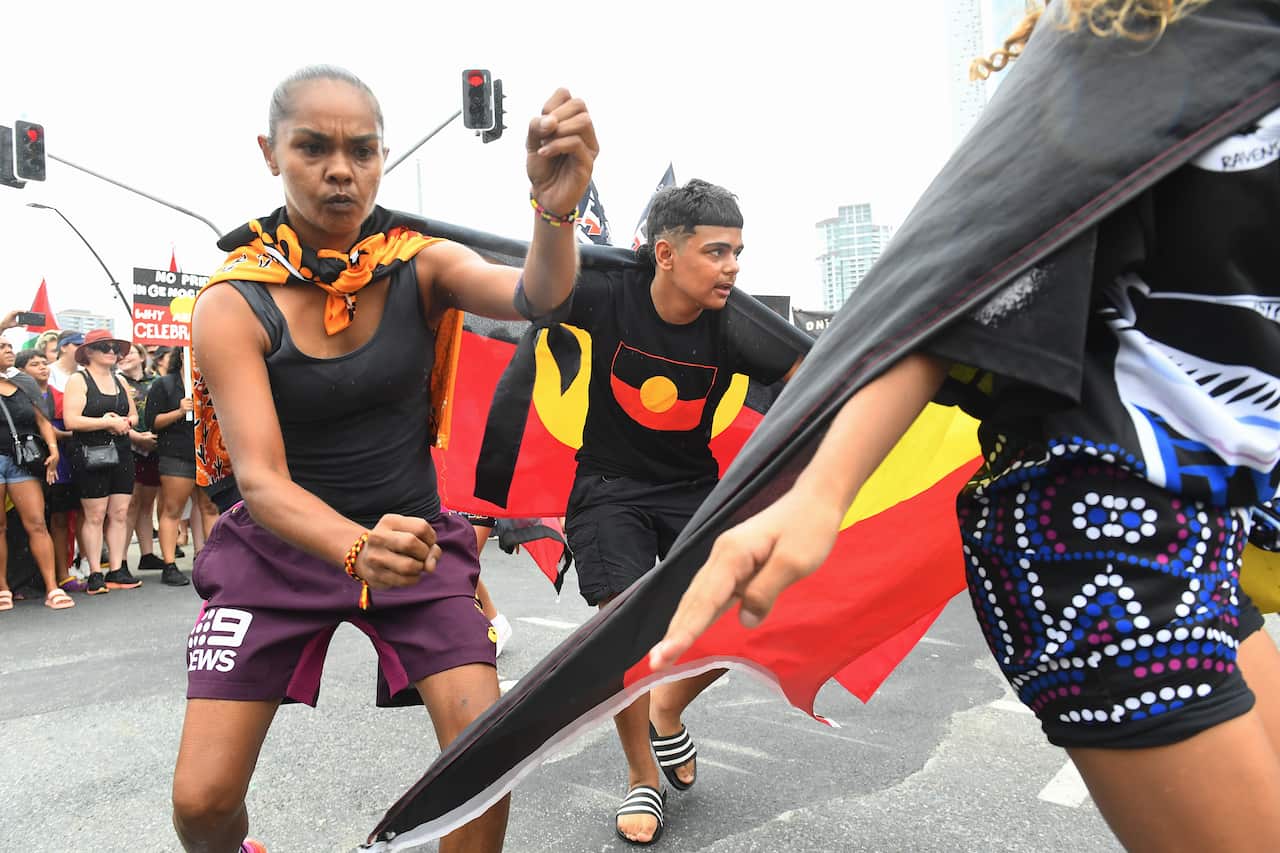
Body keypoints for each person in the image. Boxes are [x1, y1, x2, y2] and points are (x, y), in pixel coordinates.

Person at [652, 3, 1280, 851]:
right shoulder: (1139, 34)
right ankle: (648, 752)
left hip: (1209, 528)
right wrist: (822, 493)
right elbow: (962, 279)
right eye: (717, 251)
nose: (731, 267)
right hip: (1098, 537)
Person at [172, 65, 595, 853]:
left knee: (484, 763)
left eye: (362, 150)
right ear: (270, 154)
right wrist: (354, 547)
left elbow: (539, 297)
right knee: (201, 804)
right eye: (313, 148)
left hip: (414, 544)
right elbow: (259, 479)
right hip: (278, 549)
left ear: (382, 157)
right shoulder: (234, 299)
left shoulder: (420, 263)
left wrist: (555, 209)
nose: (341, 169)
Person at [560, 178, 801, 844]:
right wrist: (551, 212)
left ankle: (667, 705)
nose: (733, 267)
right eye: (717, 252)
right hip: (609, 488)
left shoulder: (738, 323)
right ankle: (643, 777)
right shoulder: (610, 294)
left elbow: (816, 376)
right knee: (622, 633)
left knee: (751, 611)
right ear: (665, 253)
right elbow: (539, 290)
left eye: (739, 252)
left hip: (695, 490)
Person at [63, 328, 142, 595]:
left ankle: (117, 568)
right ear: (89, 352)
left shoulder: (120, 380)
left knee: (120, 513)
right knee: (95, 515)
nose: (112, 352)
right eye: (105, 347)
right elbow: (71, 420)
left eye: (115, 348)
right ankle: (96, 570)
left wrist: (124, 422)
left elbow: (134, 416)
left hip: (120, 450)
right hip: (89, 451)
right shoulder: (79, 379)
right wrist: (106, 422)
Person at [0, 349, 67, 611]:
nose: (8, 350)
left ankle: (52, 587)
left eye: (9, 346)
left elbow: (42, 420)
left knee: (37, 523)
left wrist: (53, 449)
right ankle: (3, 588)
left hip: (22, 462)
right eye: (1, 345)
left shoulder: (23, 383)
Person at [145, 346, 195, 586]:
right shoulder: (163, 384)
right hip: (176, 454)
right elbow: (152, 422)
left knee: (208, 508)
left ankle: (206, 558)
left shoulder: (214, 382)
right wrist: (179, 411)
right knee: (173, 508)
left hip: (207, 454)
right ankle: (169, 563)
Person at [120, 341, 165, 575]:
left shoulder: (157, 380)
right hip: (129, 449)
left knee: (147, 504)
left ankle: (147, 554)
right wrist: (136, 437)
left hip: (155, 449)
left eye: (131, 353)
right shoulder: (117, 382)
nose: (125, 358)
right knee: (130, 506)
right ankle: (122, 559)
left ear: (141, 357)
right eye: (122, 355)